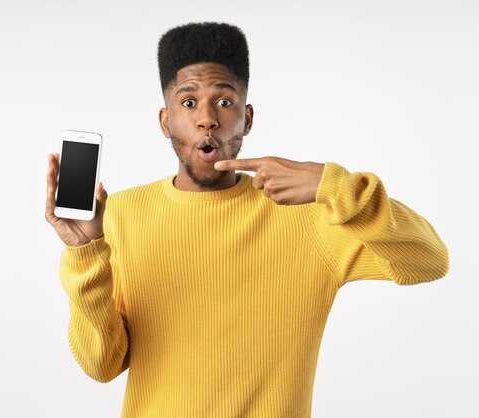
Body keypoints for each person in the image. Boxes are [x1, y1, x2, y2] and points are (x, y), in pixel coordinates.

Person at [45, 22, 449, 418]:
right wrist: (84, 253)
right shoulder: (119, 216)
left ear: (247, 117)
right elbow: (101, 365)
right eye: (188, 103)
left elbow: (429, 262)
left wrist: (334, 185)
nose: (207, 119)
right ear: (166, 120)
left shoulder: (308, 217)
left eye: (224, 101)